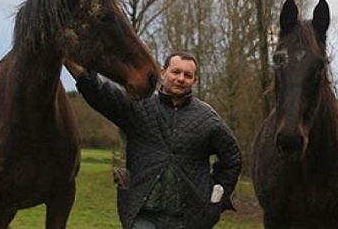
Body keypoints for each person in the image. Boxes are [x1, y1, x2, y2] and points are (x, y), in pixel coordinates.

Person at [64, 51, 242, 229]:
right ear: (163, 73)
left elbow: (232, 159)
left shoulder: (208, 119)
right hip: (142, 216)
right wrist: (67, 58)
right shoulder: (139, 106)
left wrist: (215, 199)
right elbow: (100, 91)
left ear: (194, 81)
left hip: (188, 220)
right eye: (176, 72)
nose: (181, 78)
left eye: (188, 75)